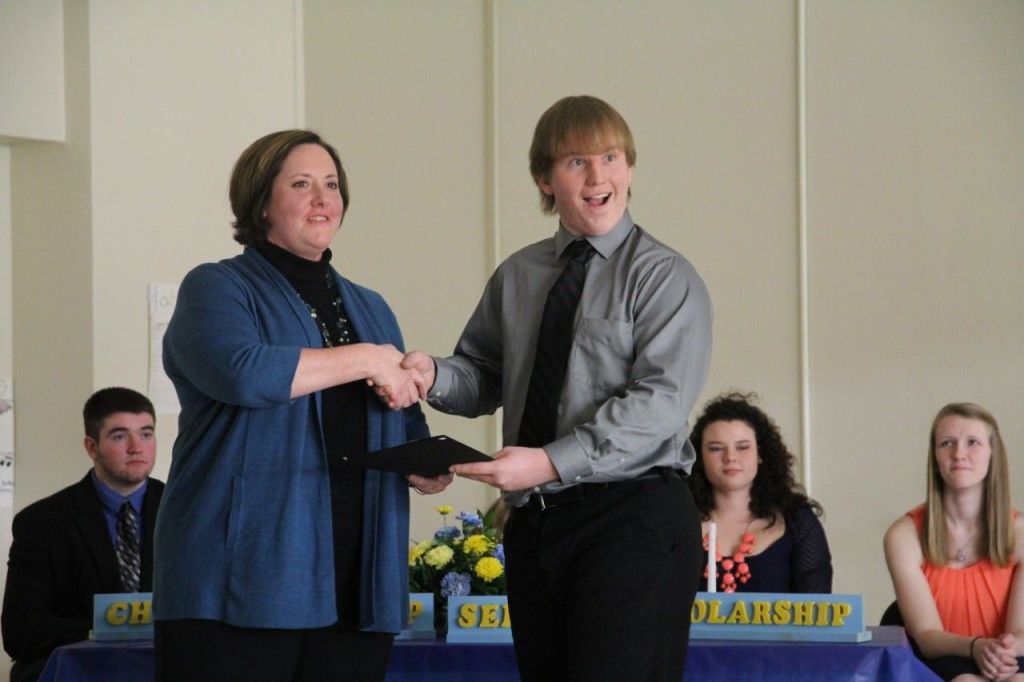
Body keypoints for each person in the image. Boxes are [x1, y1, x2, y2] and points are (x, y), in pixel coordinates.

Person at [400, 95, 712, 681]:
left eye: (612, 158)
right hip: (537, 526)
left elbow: (660, 405)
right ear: (545, 178)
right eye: (576, 162)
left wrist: (547, 462)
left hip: (633, 519)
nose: (598, 177)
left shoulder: (665, 276)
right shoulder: (519, 274)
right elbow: (484, 373)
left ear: (631, 170)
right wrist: (432, 375)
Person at [154, 129, 451, 682]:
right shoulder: (215, 288)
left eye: (332, 185)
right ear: (261, 202)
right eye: (301, 183)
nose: (323, 199)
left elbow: (404, 416)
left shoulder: (372, 307)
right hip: (238, 581)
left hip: (355, 579)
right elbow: (246, 373)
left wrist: (425, 461)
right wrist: (366, 358)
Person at [2, 387, 162, 682]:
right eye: (119, 435)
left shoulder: (184, 512)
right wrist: (109, 627)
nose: (136, 447)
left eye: (146, 434)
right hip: (82, 669)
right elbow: (21, 632)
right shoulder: (41, 522)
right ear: (91, 447)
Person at [884, 403, 1024, 682]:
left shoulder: (1021, 532)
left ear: (992, 455)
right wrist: (976, 646)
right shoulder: (903, 535)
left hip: (1006, 655)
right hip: (938, 654)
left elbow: (1020, 631)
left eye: (973, 442)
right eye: (946, 443)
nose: (959, 453)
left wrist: (1002, 650)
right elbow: (927, 637)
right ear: (935, 458)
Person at [688, 392, 832, 593]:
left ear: (761, 454)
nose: (730, 457)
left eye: (742, 447)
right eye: (716, 448)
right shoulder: (676, 519)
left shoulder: (798, 521)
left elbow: (819, 611)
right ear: (699, 457)